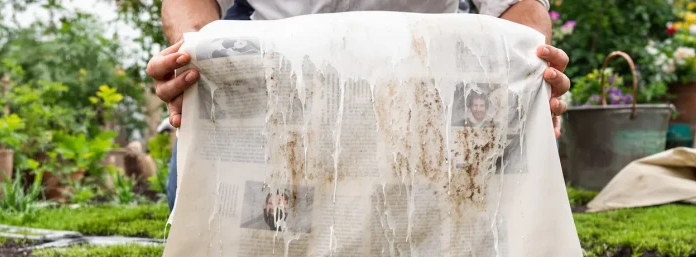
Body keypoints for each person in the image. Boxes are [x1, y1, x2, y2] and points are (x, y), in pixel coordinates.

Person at [149, 0, 571, 209]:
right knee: (202, 214)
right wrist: (193, 59)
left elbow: (521, 10)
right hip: (276, 85)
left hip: (423, 87)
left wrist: (526, 77)